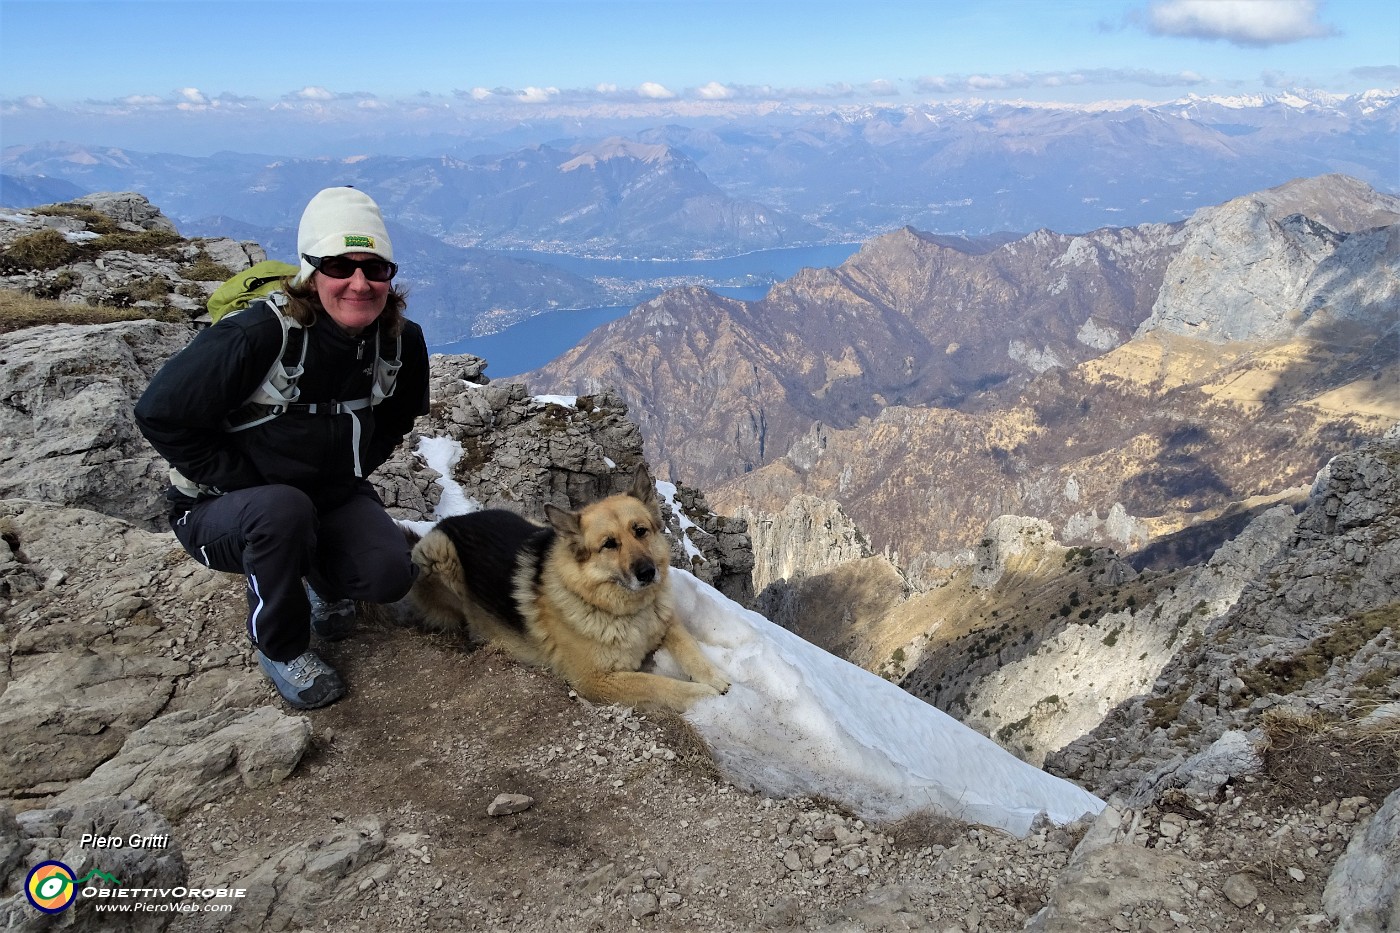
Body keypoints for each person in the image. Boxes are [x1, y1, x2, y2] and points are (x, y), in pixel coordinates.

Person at [135, 186, 430, 710]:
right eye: (340, 265)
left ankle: (317, 573)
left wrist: (354, 469)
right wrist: (245, 481)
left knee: (387, 575)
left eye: (375, 268)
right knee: (280, 509)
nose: (358, 283)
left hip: (328, 496)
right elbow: (159, 412)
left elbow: (399, 413)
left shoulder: (401, 340)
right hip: (216, 509)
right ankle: (281, 647)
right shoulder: (256, 336)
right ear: (310, 271)